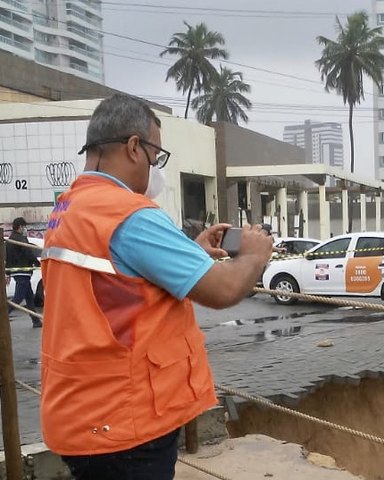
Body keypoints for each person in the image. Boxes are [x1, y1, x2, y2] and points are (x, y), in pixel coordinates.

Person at [40, 93, 274, 480]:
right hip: (125, 424)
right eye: (156, 155)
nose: (157, 168)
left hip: (79, 415)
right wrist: (253, 255)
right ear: (134, 147)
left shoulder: (69, 206)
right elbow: (223, 290)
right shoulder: (129, 214)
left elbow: (115, 281)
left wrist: (189, 253)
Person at [5, 217, 42, 327]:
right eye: (24, 227)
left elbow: (8, 258)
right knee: (18, 298)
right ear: (20, 227)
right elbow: (28, 252)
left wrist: (8, 273)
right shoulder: (21, 239)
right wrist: (37, 263)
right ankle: (3, 316)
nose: (25, 229)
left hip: (17, 272)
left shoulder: (10, 240)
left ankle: (36, 321)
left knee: (29, 297)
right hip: (23, 271)